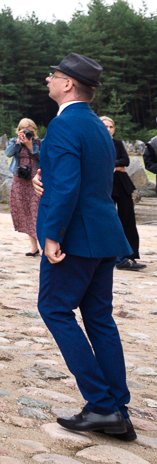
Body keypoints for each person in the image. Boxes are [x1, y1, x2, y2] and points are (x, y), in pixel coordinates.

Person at [36, 53, 135, 440]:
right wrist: (46, 179)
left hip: (75, 237)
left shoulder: (63, 126)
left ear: (68, 85)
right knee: (99, 318)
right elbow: (85, 179)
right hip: (104, 233)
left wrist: (51, 234)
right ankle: (118, 407)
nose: (49, 79)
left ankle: (101, 405)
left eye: (54, 75)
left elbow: (67, 187)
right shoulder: (97, 126)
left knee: (55, 308)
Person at [100, 116, 144, 272]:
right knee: (109, 221)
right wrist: (114, 166)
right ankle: (112, 256)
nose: (108, 129)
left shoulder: (117, 143)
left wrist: (112, 165)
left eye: (111, 126)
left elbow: (125, 161)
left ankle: (129, 256)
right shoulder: (95, 143)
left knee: (127, 219)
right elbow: (99, 163)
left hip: (122, 184)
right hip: (106, 185)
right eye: (105, 126)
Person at [5, 118, 41, 255]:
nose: (27, 135)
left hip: (36, 181)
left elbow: (44, 158)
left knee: (36, 213)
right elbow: (8, 154)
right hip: (20, 181)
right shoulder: (14, 142)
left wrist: (31, 146)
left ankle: (43, 246)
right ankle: (34, 247)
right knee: (25, 213)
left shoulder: (38, 143)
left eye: (30, 132)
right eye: (25, 132)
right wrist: (17, 143)